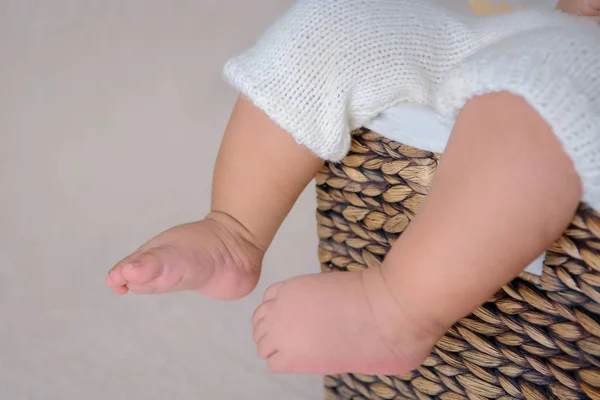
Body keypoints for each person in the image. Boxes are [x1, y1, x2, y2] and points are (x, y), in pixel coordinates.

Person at [106, 0, 600, 375]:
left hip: (567, 54)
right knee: (337, 23)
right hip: (543, 24)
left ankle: (394, 311)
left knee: (539, 81)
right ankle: (233, 228)